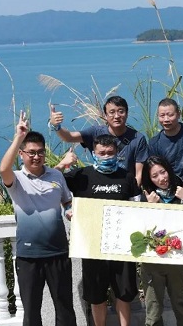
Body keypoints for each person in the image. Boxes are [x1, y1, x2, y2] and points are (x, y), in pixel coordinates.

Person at [0, 111, 76, 326]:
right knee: (32, 312)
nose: (36, 156)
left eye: (40, 152)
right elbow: (3, 168)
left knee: (65, 309)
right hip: (29, 256)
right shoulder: (16, 179)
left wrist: (70, 210)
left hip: (58, 252)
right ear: (21, 154)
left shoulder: (56, 175)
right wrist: (19, 136)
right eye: (31, 152)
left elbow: (66, 201)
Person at [64, 134, 141, 326]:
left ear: (116, 153)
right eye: (101, 153)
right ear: (93, 153)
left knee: (124, 294)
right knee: (96, 295)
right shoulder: (80, 175)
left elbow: (137, 208)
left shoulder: (127, 176)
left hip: (122, 246)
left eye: (110, 152)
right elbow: (50, 184)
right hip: (92, 247)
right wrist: (67, 207)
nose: (106, 156)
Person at [140, 155, 183, 326]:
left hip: (177, 260)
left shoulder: (181, 192)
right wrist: (149, 207)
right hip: (152, 262)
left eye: (163, 172)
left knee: (181, 305)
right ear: (149, 179)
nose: (161, 178)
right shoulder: (145, 197)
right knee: (153, 311)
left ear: (169, 170)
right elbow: (139, 229)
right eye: (155, 176)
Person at [49, 95, 148, 185]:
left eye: (121, 111)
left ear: (127, 113)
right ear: (105, 115)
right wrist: (55, 126)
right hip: (99, 186)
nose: (117, 116)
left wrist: (132, 193)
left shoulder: (138, 139)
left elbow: (138, 175)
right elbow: (69, 137)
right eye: (112, 112)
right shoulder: (95, 132)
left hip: (126, 187)